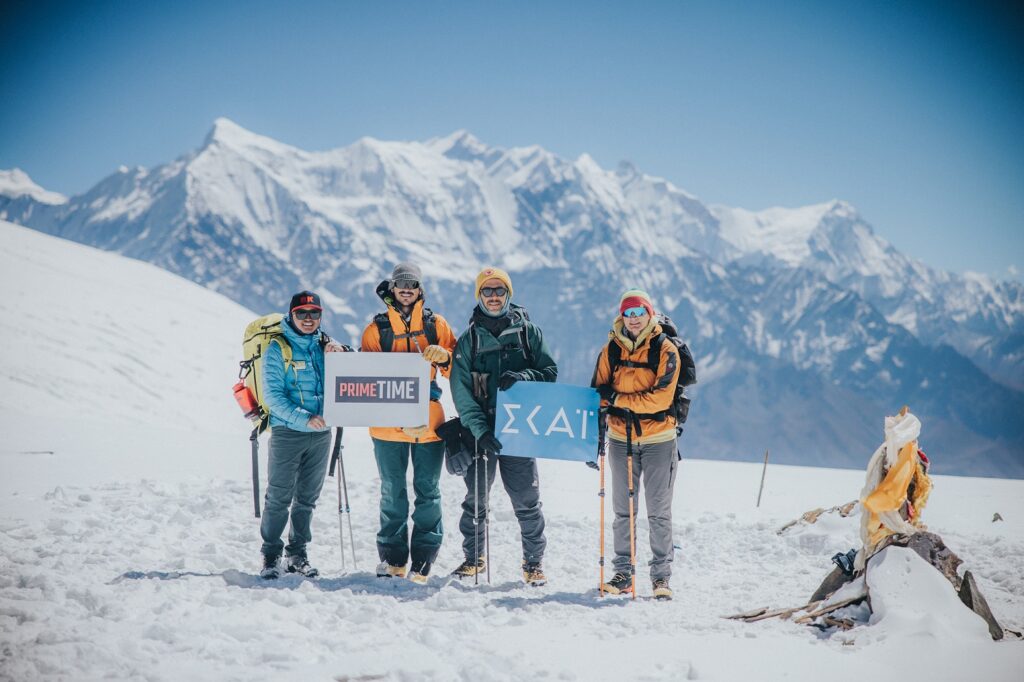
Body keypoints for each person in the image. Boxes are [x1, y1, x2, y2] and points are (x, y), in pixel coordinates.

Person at [449, 267, 557, 586]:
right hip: (480, 432)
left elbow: (549, 371)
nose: (493, 297)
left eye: (499, 291)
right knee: (476, 498)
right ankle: (474, 558)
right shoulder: (468, 340)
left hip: (519, 429)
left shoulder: (528, 333)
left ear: (508, 293)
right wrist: (479, 431)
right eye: (487, 291)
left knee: (526, 498)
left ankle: (534, 562)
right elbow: (461, 391)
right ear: (479, 295)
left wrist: (524, 377)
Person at [360, 263, 458, 584]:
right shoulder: (376, 329)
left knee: (428, 491)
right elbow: (364, 376)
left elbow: (458, 366)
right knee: (393, 491)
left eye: (411, 283)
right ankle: (393, 558)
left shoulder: (436, 325)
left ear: (419, 289)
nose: (405, 288)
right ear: (392, 287)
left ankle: (424, 559)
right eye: (400, 283)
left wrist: (445, 357)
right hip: (387, 426)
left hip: (428, 424)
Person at [592, 289, 681, 599]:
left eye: (638, 312)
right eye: (627, 313)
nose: (633, 319)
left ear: (649, 313)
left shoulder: (665, 350)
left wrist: (618, 400)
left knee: (658, 511)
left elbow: (662, 397)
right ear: (621, 317)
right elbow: (597, 391)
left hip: (659, 439)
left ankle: (661, 578)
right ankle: (623, 575)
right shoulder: (611, 350)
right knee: (623, 511)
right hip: (620, 439)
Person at [259, 290, 349, 579]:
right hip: (288, 432)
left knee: (307, 498)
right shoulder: (278, 347)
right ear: (291, 315)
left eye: (315, 313)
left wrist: (344, 352)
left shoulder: (325, 344)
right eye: (302, 313)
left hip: (321, 434)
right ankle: (271, 554)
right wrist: (304, 418)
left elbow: (354, 370)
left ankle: (297, 554)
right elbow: (273, 395)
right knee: (279, 497)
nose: (309, 319)